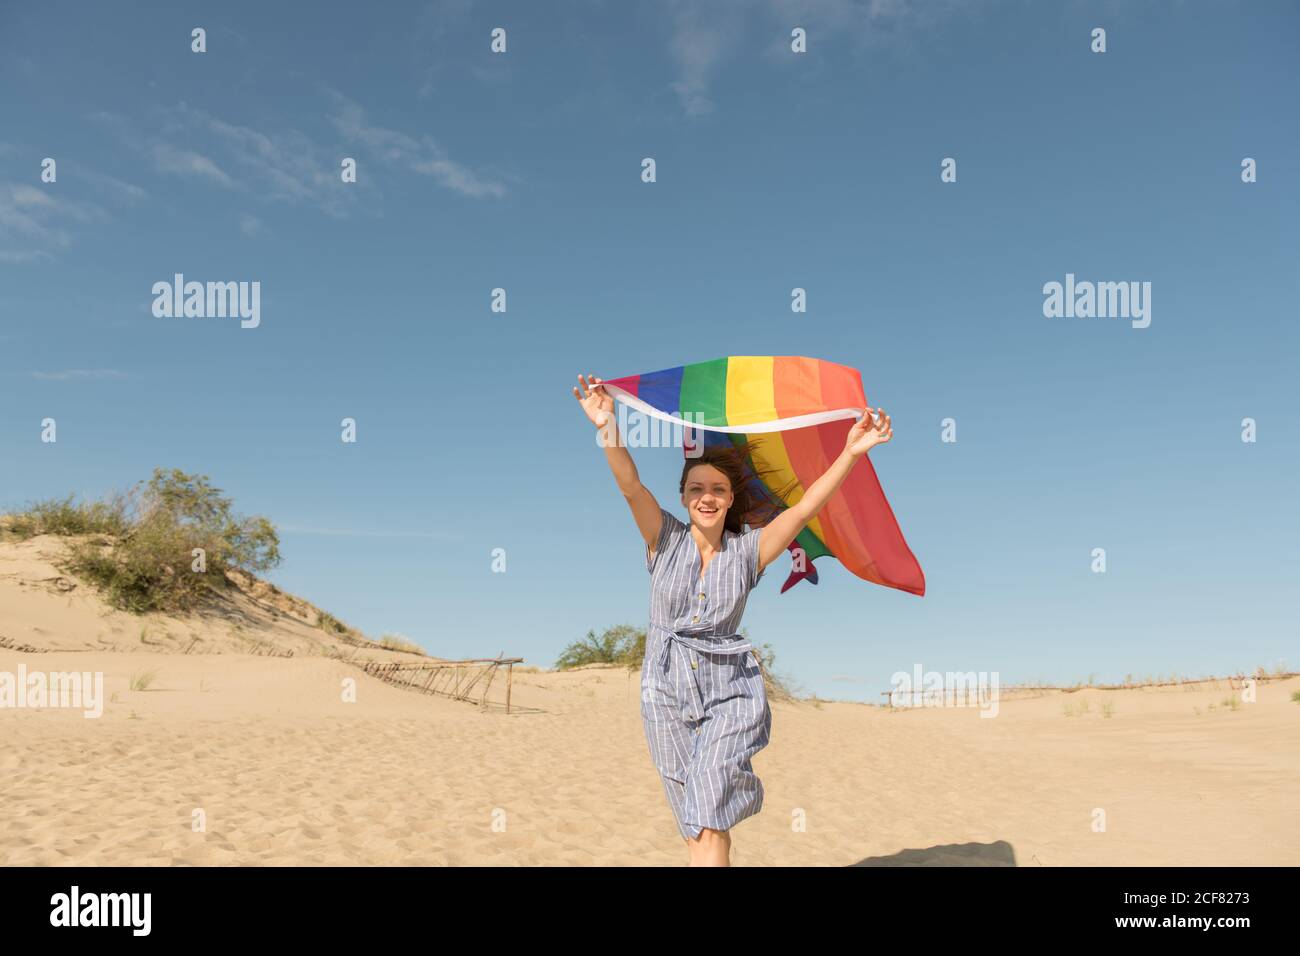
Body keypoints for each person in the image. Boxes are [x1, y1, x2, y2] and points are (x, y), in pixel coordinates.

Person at [572, 372, 893, 865]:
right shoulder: (664, 537)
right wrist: (606, 425)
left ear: (729, 500)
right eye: (696, 488)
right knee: (698, 820)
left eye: (717, 489)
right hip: (663, 689)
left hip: (729, 691)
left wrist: (851, 452)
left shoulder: (750, 552)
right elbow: (630, 485)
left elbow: (806, 506)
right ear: (683, 497)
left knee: (708, 793)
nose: (706, 496)